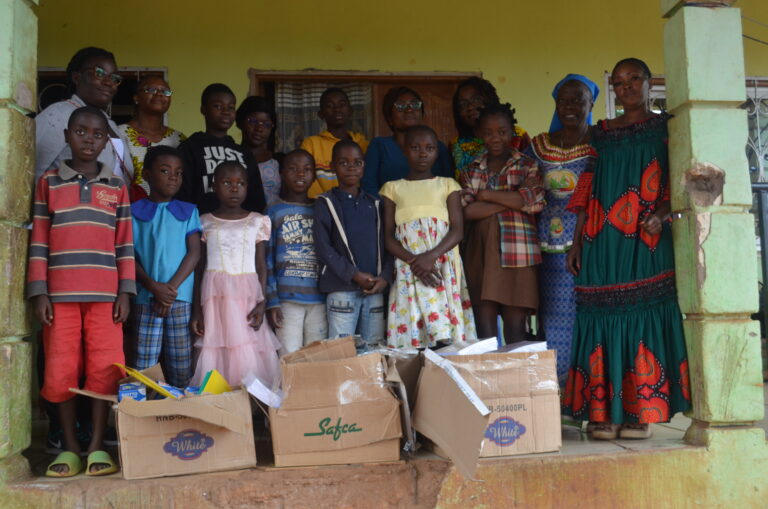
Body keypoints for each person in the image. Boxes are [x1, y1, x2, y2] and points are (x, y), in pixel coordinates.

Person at [563, 58, 691, 440]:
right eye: (619, 82)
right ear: (614, 91)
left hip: (647, 238)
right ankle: (604, 413)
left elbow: (682, 176)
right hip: (602, 241)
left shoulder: (667, 127)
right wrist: (576, 242)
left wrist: (665, 213)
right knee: (601, 315)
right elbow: (587, 189)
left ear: (650, 83)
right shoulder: (599, 133)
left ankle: (639, 413)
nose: (627, 86)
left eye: (634, 79)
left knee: (645, 314)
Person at [28, 106, 135, 477]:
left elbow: (124, 245)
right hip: (60, 298)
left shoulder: (116, 187)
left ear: (107, 141)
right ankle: (71, 448)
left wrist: (125, 292)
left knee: (106, 370)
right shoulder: (50, 183)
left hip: (106, 298)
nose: (89, 139)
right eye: (81, 132)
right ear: (67, 136)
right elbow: (39, 240)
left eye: (97, 134)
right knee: (60, 371)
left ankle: (95, 448)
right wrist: (39, 292)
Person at [525, 74, 599, 384]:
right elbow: (525, 187)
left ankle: (581, 392)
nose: (570, 106)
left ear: (590, 103)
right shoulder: (538, 145)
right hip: (543, 245)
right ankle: (554, 392)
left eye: (577, 100)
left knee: (584, 318)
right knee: (549, 317)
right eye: (563, 100)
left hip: (588, 244)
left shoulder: (599, 143)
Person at [380, 125, 476, 348]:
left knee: (444, 330)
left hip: (440, 265)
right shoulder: (392, 188)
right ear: (404, 150)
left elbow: (457, 230)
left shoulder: (448, 185)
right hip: (409, 267)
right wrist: (416, 261)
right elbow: (387, 237)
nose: (423, 153)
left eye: (429, 148)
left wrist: (430, 257)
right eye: (415, 148)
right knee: (412, 324)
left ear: (437, 152)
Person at [190, 162, 281, 388]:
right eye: (227, 183)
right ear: (214, 186)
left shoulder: (257, 221)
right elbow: (199, 269)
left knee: (247, 345)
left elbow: (261, 266)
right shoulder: (205, 221)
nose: (234, 188)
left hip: (248, 296)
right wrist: (196, 310)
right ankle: (223, 404)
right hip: (215, 296)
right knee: (218, 344)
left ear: (247, 187)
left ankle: (251, 404)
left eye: (240, 183)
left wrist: (262, 302)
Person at [461, 103, 545, 344]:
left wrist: (486, 195)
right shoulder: (472, 169)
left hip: (519, 254)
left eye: (502, 131)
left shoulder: (527, 165)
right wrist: (514, 200)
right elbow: (466, 212)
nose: (495, 138)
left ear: (512, 132)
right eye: (488, 132)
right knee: (485, 330)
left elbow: (535, 202)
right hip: (481, 254)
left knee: (516, 330)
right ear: (479, 134)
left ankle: (514, 379)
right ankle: (487, 380)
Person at [131, 146, 202, 388]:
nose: (173, 177)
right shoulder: (133, 211)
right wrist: (152, 286)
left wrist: (169, 289)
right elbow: (128, 255)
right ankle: (145, 417)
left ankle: (179, 413)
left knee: (181, 362)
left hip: (178, 298)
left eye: (179, 172)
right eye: (165, 170)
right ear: (147, 175)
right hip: (146, 297)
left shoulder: (188, 211)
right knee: (144, 363)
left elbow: (194, 253)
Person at [315, 139, 393, 348]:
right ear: (332, 167)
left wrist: (385, 277)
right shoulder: (326, 203)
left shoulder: (375, 204)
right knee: (341, 349)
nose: (351, 167)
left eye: (357, 162)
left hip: (374, 289)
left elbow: (388, 244)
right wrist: (354, 275)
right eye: (343, 162)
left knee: (374, 349)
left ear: (364, 166)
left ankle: (371, 383)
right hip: (342, 288)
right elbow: (323, 248)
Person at [35, 46, 133, 186]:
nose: (108, 82)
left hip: (109, 206)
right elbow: (32, 170)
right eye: (99, 73)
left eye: (114, 78)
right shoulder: (58, 114)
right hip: (69, 206)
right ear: (77, 77)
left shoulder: (109, 123)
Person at [266, 150, 327, 352]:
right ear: (282, 173)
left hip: (319, 298)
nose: (300, 174)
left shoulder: (322, 208)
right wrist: (272, 301)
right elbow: (266, 261)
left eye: (307, 170)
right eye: (293, 169)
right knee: (289, 357)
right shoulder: (273, 211)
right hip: (287, 299)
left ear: (314, 176)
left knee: (316, 358)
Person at [176, 83, 266, 215]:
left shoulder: (244, 153)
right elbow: (182, 195)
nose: (226, 112)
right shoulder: (190, 148)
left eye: (231, 107)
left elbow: (256, 196)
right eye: (218, 106)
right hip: (201, 225)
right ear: (203, 109)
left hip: (241, 229)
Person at [363, 87, 453, 197]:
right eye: (400, 106)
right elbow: (369, 187)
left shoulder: (438, 147)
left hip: (433, 211)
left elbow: (449, 186)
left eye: (415, 104)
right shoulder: (379, 145)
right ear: (389, 118)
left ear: (422, 114)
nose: (409, 109)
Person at [117, 76, 186, 201]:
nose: (159, 94)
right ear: (136, 98)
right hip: (129, 212)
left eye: (165, 91)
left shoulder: (179, 139)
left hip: (169, 215)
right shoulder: (119, 134)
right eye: (151, 90)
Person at [451, 77, 531, 178]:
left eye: (476, 99)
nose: (470, 107)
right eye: (463, 104)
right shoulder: (456, 145)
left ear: (490, 99)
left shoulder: (518, 135)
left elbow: (532, 172)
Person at [300, 87, 370, 198]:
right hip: (320, 205)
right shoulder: (311, 144)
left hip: (355, 206)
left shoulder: (362, 143)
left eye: (342, 104)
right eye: (330, 106)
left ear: (350, 110)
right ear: (321, 114)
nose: (337, 109)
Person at [235, 95, 282, 207]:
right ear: (240, 122)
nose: (259, 128)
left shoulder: (280, 161)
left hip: (275, 221)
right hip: (241, 222)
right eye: (253, 121)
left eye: (266, 124)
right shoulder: (231, 158)